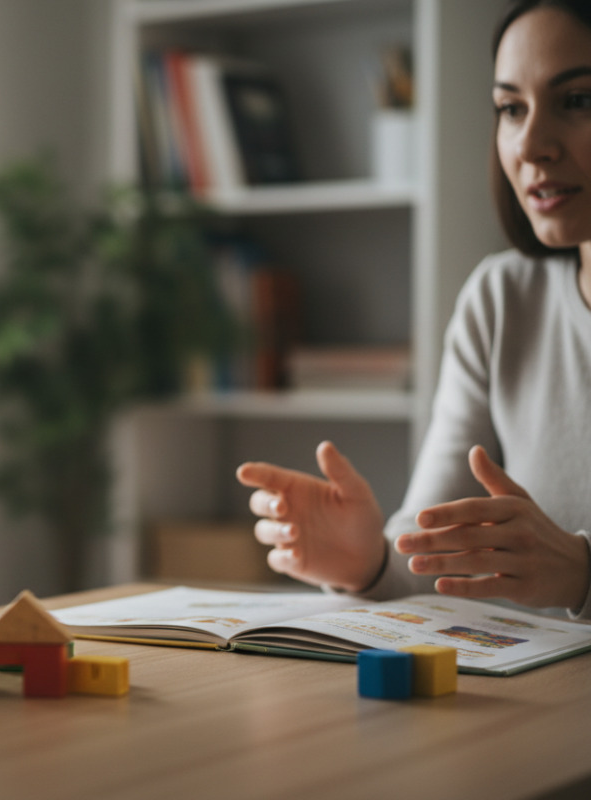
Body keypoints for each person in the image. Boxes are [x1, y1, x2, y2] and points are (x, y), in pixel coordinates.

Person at [236, 0, 591, 619]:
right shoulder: (501, 299)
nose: (531, 145)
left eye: (578, 101)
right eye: (511, 108)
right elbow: (428, 560)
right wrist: (367, 562)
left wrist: (583, 574)